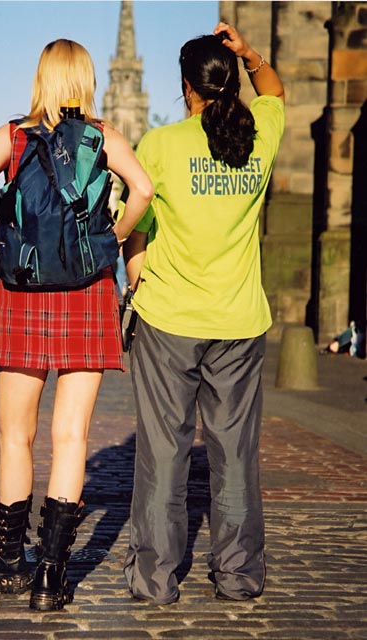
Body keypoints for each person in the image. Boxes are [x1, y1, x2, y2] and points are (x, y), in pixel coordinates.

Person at [0, 38, 153, 612]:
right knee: (72, 437)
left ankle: (3, 562)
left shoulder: (13, 135)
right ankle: (51, 577)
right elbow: (143, 190)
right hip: (88, 293)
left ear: (42, 77)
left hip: (25, 292)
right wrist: (113, 237)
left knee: (16, 436)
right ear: (86, 79)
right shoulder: (102, 136)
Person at [122, 23, 285, 604]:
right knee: (235, 454)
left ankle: (156, 578)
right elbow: (274, 93)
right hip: (239, 320)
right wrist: (251, 55)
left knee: (164, 452)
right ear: (230, 81)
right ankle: (239, 575)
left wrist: (135, 284)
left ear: (185, 86)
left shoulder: (161, 146)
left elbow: (136, 229)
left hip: (169, 317)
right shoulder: (259, 136)